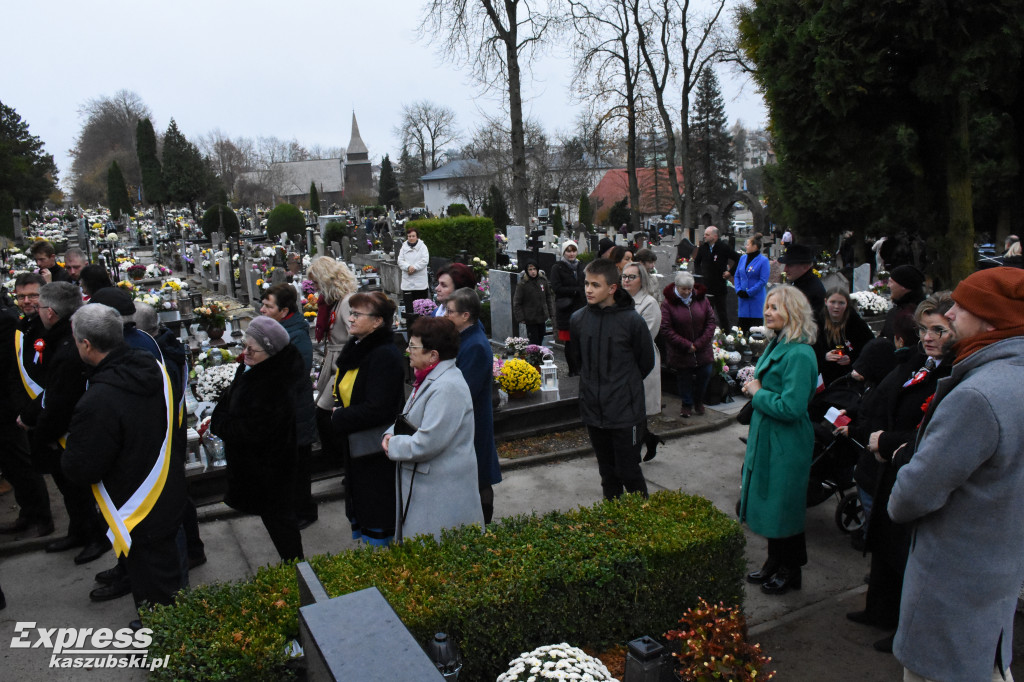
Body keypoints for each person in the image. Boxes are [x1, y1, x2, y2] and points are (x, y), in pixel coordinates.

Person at [888, 268, 1024, 682]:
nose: (950, 314)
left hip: (953, 583)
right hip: (997, 570)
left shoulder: (977, 395)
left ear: (990, 319)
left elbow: (913, 494)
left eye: (962, 307)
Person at [62, 304, 188, 626]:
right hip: (166, 489)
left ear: (87, 345)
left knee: (153, 579)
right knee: (165, 574)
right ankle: (162, 621)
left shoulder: (99, 399)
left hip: (136, 505)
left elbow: (82, 468)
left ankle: (168, 643)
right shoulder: (152, 366)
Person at [845, 292, 954, 655]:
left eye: (939, 329)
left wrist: (886, 440)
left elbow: (934, 431)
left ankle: (903, 628)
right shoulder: (917, 362)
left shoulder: (951, 373)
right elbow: (886, 395)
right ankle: (878, 610)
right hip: (887, 465)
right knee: (884, 544)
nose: (928, 337)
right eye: (924, 329)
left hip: (909, 464)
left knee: (905, 553)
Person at [17, 281, 110, 564]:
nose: (35, 308)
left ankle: (96, 537)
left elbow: (59, 399)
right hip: (57, 423)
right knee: (68, 489)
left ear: (52, 312)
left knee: (77, 488)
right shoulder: (53, 333)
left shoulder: (68, 346)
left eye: (40, 304)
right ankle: (78, 530)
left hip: (68, 430)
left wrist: (39, 431)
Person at [740, 285, 818, 596]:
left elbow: (792, 407)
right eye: (767, 306)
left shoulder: (800, 353)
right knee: (772, 505)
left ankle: (791, 569)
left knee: (784, 507)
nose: (767, 311)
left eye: (775, 307)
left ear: (793, 312)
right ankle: (774, 561)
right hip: (769, 436)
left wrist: (757, 392)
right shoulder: (778, 344)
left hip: (786, 441)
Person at [211, 317, 304, 561]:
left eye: (251, 349)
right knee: (277, 519)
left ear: (271, 351)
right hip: (260, 467)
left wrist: (220, 423)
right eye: (244, 346)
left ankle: (298, 572)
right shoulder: (256, 367)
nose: (245, 353)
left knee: (280, 522)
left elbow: (252, 431)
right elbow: (230, 400)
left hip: (269, 468)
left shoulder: (274, 385)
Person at [383, 316, 483, 542]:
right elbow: (410, 417)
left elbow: (428, 441)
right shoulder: (429, 378)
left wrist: (393, 445)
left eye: (413, 346)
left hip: (441, 492)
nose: (408, 350)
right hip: (429, 487)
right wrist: (391, 432)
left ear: (433, 355)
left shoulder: (447, 387)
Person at [569, 258, 655, 500]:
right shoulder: (578, 319)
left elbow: (645, 362)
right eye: (586, 283)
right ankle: (613, 523)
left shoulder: (632, 321)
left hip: (625, 412)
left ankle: (644, 523)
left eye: (595, 285)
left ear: (612, 288)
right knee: (607, 474)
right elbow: (577, 361)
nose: (588, 289)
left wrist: (622, 388)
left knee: (629, 471)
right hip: (594, 412)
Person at [330, 292, 406, 545]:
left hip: (375, 449)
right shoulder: (358, 347)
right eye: (351, 313)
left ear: (377, 322)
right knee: (363, 501)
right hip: (357, 443)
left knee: (377, 507)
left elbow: (379, 408)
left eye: (357, 314)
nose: (350, 319)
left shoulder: (384, 355)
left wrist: (340, 417)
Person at [260, 282, 318, 528]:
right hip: (280, 411)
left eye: (268, 305)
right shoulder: (273, 328)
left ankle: (305, 511)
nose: (262, 309)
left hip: (295, 413)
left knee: (298, 468)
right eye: (262, 304)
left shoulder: (297, 334)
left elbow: (297, 371)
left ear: (284, 311)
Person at [0, 278, 53, 539]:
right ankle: (27, 513)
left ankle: (41, 518)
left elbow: (9, 366)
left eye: (32, 296)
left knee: (21, 463)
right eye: (21, 297)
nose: (26, 302)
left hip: (8, 405)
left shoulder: (7, 320)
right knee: (10, 465)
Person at [445, 288, 502, 524]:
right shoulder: (467, 335)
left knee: (479, 474)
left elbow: (464, 388)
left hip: (474, 419)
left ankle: (483, 521)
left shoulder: (475, 345)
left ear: (465, 315)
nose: (446, 315)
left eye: (450, 312)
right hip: (470, 418)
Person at [306, 256, 356, 460]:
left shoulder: (345, 302)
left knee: (323, 411)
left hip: (342, 365)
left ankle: (335, 457)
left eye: (317, 283)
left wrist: (345, 364)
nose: (316, 288)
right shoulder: (334, 302)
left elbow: (354, 336)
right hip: (335, 360)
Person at [621, 263, 664, 460]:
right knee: (628, 411)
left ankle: (634, 454)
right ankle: (648, 439)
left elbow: (645, 337)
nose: (626, 280)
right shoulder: (618, 301)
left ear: (642, 280)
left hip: (641, 361)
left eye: (631, 277)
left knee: (638, 411)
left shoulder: (648, 303)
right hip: (620, 362)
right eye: (624, 276)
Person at [660, 271, 717, 418]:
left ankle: (698, 401)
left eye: (689, 289)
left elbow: (711, 322)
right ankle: (686, 404)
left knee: (704, 374)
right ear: (676, 287)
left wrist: (698, 344)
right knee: (684, 377)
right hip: (681, 350)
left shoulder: (702, 300)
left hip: (702, 347)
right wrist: (686, 345)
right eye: (683, 289)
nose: (686, 292)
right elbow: (666, 328)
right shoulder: (668, 304)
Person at [814, 288, 875, 387]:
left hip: (849, 376)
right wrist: (824, 356)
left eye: (841, 303)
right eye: (832, 302)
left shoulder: (855, 322)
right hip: (824, 374)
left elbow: (869, 346)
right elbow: (812, 347)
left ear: (847, 304)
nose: (836, 307)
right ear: (826, 302)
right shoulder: (817, 320)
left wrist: (851, 358)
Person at [549, 240, 586, 376]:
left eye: (574, 250)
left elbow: (586, 284)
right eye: (568, 251)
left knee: (580, 341)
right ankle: (573, 369)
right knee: (570, 342)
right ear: (564, 252)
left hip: (581, 307)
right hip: (566, 309)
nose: (571, 254)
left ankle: (581, 368)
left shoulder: (581, 266)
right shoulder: (557, 267)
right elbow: (557, 287)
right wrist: (576, 290)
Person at [693, 226, 740, 331]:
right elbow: (697, 262)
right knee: (705, 313)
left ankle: (726, 335)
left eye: (707, 235)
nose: (704, 236)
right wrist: (700, 275)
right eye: (704, 234)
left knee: (722, 313)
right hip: (706, 286)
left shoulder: (723, 247)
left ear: (715, 236)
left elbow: (738, 258)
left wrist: (730, 272)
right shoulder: (703, 247)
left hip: (719, 285)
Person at [734, 233, 771, 332]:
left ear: (755, 246)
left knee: (755, 330)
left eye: (748, 244)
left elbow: (763, 280)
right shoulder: (742, 258)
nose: (746, 246)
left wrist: (749, 292)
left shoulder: (763, 261)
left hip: (755, 299)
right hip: (743, 299)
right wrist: (738, 289)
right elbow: (737, 275)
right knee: (742, 329)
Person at [513, 259, 555, 346]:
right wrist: (521, 317)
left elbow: (548, 297)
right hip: (530, 317)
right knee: (534, 340)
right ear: (527, 271)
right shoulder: (523, 284)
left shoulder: (543, 280)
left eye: (534, 269)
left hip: (542, 316)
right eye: (530, 269)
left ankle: (538, 356)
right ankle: (534, 357)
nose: (533, 272)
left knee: (541, 337)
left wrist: (551, 313)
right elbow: (517, 302)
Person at [880, 264, 926, 341]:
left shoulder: (918, 315)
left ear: (903, 286)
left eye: (891, 282)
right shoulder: (894, 312)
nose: (888, 286)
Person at [777, 244, 826, 314]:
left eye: (790, 265)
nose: (785, 269)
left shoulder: (811, 291)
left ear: (805, 267)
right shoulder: (801, 283)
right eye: (785, 265)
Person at [398, 226, 430, 325]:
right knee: (409, 307)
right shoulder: (404, 247)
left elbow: (425, 260)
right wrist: (408, 267)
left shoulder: (423, 247)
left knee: (420, 308)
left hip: (420, 283)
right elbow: (400, 260)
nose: (411, 238)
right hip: (408, 281)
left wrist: (414, 267)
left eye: (413, 236)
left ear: (417, 237)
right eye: (409, 236)